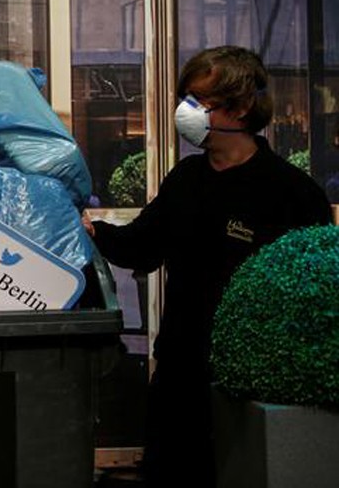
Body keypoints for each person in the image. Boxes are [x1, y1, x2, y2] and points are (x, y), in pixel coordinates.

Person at [83, 46, 332, 487]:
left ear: (240, 107)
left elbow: (313, 301)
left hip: (247, 384)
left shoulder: (292, 193)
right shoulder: (187, 179)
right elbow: (143, 248)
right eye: (187, 98)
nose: (186, 111)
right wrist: (93, 231)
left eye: (200, 100)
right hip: (180, 369)